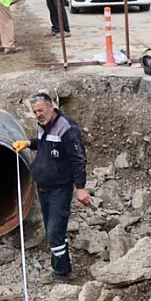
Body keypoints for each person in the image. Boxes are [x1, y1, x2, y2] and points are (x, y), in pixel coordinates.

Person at [12, 93, 92, 278]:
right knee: (52, 229)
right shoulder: (43, 126)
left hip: (59, 189)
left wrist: (80, 187)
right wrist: (28, 143)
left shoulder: (67, 128)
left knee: (55, 231)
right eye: (35, 112)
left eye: (40, 110)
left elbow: (78, 158)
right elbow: (45, 144)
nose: (38, 114)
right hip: (44, 188)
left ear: (51, 106)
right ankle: (61, 266)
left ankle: (62, 272)